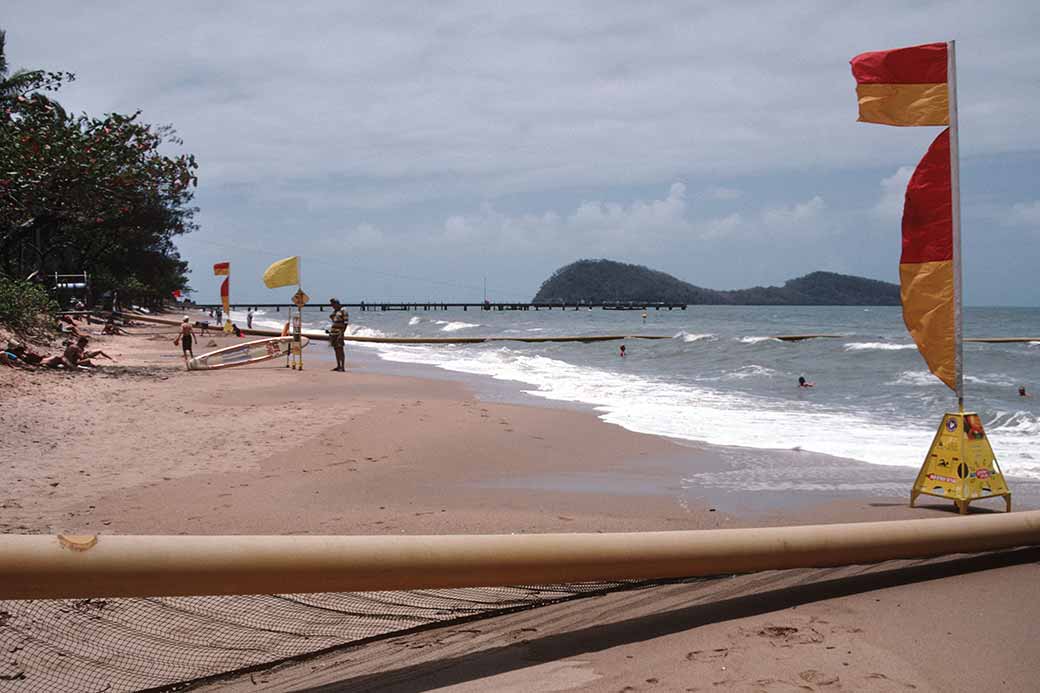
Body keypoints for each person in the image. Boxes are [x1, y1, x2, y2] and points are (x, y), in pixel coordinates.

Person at [43, 336, 113, 369]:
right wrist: (86, 354)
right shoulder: (77, 348)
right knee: (88, 361)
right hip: (71, 362)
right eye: (84, 344)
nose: (85, 345)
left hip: (65, 360)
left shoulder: (72, 345)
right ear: (81, 342)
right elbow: (81, 357)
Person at [328, 298, 348, 371]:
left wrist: (342, 333)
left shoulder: (343, 310)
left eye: (333, 304)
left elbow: (345, 323)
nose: (332, 306)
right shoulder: (335, 311)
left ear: (337, 303)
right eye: (332, 305)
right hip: (333, 332)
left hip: (339, 332)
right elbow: (334, 321)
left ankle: (342, 366)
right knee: (336, 349)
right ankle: (338, 365)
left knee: (340, 349)